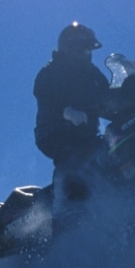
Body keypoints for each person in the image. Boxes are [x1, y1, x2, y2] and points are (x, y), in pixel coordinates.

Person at [34, 21, 111, 212]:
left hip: (86, 133)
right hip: (55, 132)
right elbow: (45, 93)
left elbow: (109, 96)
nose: (86, 53)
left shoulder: (93, 74)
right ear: (68, 48)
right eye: (81, 48)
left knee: (111, 155)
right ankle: (65, 219)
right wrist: (66, 111)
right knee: (73, 162)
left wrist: (126, 99)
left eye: (88, 49)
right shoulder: (51, 71)